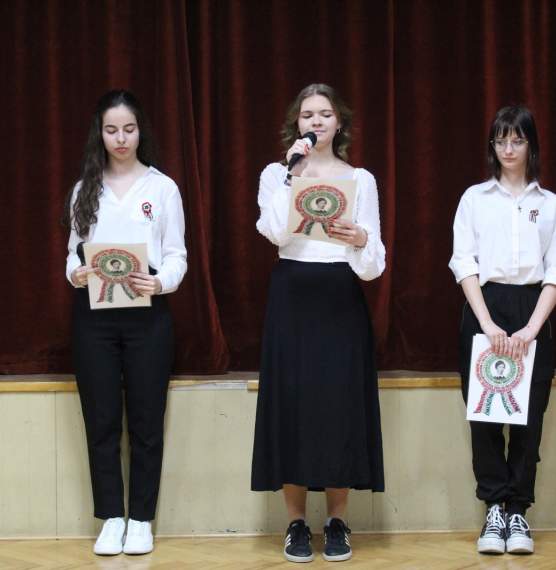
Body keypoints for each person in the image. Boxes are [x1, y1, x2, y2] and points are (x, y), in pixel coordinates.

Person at [251, 83, 385, 563]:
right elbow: (274, 231)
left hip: (339, 296)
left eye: (325, 114)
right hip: (292, 295)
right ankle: (295, 524)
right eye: (308, 115)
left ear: (339, 122)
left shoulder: (360, 179)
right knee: (292, 404)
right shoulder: (276, 173)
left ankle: (337, 521)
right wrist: (293, 174)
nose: (316, 122)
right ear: (297, 123)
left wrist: (359, 237)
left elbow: (374, 265)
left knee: (337, 406)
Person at [63, 90, 187, 556]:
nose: (120, 138)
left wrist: (162, 282)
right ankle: (111, 517)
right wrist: (75, 274)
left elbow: (176, 254)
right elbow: (73, 252)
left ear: (140, 132)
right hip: (93, 316)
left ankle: (140, 519)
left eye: (129, 129)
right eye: (111, 129)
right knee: (101, 419)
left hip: (147, 315)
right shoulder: (85, 188)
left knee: (146, 420)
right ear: (100, 133)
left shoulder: (162, 188)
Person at [449, 105, 556, 555]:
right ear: (492, 145)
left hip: (533, 309)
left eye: (517, 140)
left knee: (529, 418)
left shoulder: (549, 204)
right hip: (485, 307)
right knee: (486, 416)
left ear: (531, 144)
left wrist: (531, 328)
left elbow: (554, 272)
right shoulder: (475, 198)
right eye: (500, 140)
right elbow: (464, 262)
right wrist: (488, 322)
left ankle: (518, 512)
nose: (508, 149)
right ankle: (493, 509)